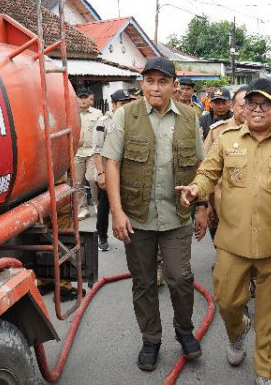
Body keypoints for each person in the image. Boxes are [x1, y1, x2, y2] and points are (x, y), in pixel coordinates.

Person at [177, 78, 271, 385]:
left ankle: (267, 371)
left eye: (264, 104)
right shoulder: (227, 140)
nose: (257, 109)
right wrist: (195, 189)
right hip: (232, 243)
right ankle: (237, 330)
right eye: (251, 103)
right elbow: (207, 174)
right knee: (228, 303)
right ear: (243, 108)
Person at [102, 57, 206, 371]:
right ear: (142, 84)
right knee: (144, 282)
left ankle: (185, 332)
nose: (155, 88)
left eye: (162, 82)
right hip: (137, 217)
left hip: (177, 216)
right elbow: (111, 163)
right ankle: (151, 339)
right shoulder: (126, 116)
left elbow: (201, 167)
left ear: (175, 85)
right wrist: (117, 213)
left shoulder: (190, 117)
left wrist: (202, 206)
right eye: (149, 81)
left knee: (179, 278)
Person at [201, 86, 247, 241]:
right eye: (242, 106)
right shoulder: (218, 131)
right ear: (233, 107)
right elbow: (205, 170)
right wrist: (206, 203)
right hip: (223, 205)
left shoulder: (267, 132)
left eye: (251, 105)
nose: (247, 110)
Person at [92, 89, 134, 252]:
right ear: (114, 105)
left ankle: (130, 236)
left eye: (128, 103)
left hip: (127, 171)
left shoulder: (132, 119)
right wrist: (101, 174)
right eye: (122, 103)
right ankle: (102, 236)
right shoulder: (103, 122)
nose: (126, 106)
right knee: (105, 206)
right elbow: (97, 151)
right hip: (108, 171)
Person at [74, 87, 102, 219]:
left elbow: (102, 132)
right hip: (77, 152)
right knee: (77, 182)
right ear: (76, 99)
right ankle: (83, 208)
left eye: (85, 97)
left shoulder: (97, 114)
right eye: (81, 97)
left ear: (89, 98)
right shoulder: (72, 113)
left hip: (92, 152)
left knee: (92, 178)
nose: (83, 100)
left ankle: (96, 203)